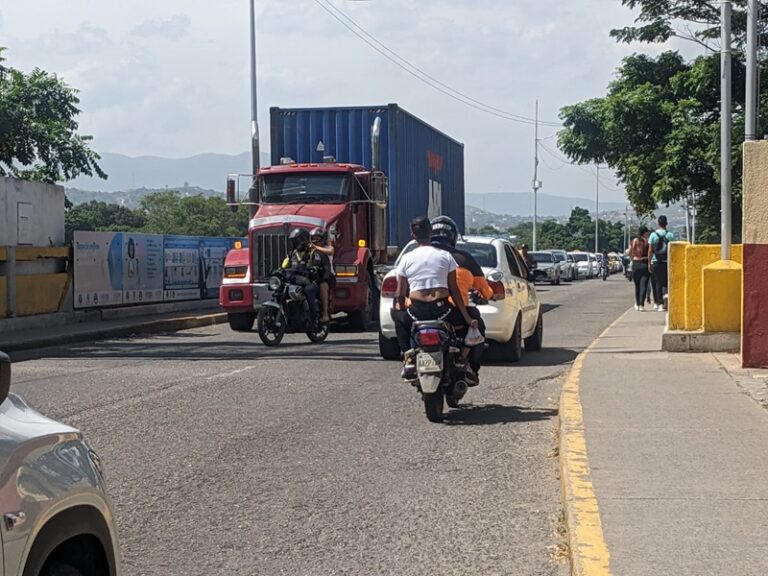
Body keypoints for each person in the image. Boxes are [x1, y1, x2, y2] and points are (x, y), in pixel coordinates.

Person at [392, 217, 478, 380]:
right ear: (431, 233)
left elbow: (400, 294)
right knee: (474, 322)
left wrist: (400, 311)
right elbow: (453, 290)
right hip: (442, 311)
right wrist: (467, 318)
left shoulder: (406, 259)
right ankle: (463, 359)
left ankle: (408, 357)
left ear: (413, 235)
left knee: (399, 320)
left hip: (416, 312)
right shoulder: (445, 256)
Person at [430, 215, 493, 385]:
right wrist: (486, 295)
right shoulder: (464, 259)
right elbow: (486, 291)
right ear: (454, 237)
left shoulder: (418, 256)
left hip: (419, 310)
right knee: (477, 328)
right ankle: (469, 366)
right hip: (455, 310)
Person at [281, 228, 326, 330]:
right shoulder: (292, 253)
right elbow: (284, 264)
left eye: (297, 241)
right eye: (293, 241)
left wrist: (313, 268)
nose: (295, 243)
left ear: (304, 240)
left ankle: (313, 321)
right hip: (295, 280)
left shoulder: (313, 252)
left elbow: (316, 264)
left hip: (309, 281)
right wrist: (280, 270)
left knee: (309, 291)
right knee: (280, 290)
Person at [649, 215, 673, 311]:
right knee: (667, 281)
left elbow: (650, 250)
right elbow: (673, 250)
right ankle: (667, 296)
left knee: (658, 282)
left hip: (656, 261)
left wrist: (649, 262)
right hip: (667, 261)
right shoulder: (670, 235)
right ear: (666, 224)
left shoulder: (653, 235)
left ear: (658, 224)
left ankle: (660, 304)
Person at [310, 227, 334, 323]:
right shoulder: (310, 249)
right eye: (313, 238)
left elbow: (330, 251)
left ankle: (325, 314)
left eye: (317, 238)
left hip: (327, 277)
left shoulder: (328, 247)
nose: (315, 241)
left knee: (323, 286)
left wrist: (314, 247)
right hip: (313, 275)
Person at [630, 225, 651, 311]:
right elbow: (650, 253)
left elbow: (631, 252)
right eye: (647, 233)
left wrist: (632, 261)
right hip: (644, 263)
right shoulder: (647, 241)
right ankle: (641, 304)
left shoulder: (635, 240)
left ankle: (637, 303)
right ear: (644, 233)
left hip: (636, 263)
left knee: (637, 285)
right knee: (644, 285)